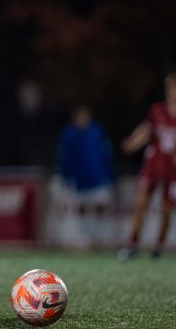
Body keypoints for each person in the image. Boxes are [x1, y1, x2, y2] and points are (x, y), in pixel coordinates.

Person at [118, 71, 176, 260]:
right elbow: (146, 130)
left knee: (167, 209)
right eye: (174, 89)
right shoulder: (157, 110)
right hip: (154, 163)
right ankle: (133, 245)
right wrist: (133, 142)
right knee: (141, 203)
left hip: (175, 169)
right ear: (168, 91)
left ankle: (158, 246)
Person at [58, 105, 114, 248]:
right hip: (80, 179)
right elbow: (65, 157)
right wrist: (66, 176)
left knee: (100, 207)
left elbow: (105, 155)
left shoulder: (96, 132)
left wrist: (109, 175)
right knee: (81, 208)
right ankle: (84, 239)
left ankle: (99, 237)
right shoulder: (70, 134)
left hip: (97, 177)